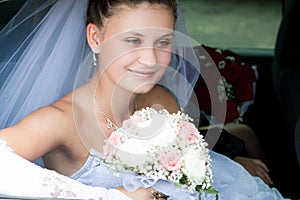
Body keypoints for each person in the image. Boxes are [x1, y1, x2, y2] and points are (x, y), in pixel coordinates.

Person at [0, 0, 288, 199]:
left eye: (162, 42)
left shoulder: (160, 99)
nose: (150, 60)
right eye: (133, 41)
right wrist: (109, 197)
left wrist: (226, 160)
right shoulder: (60, 120)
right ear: (95, 38)